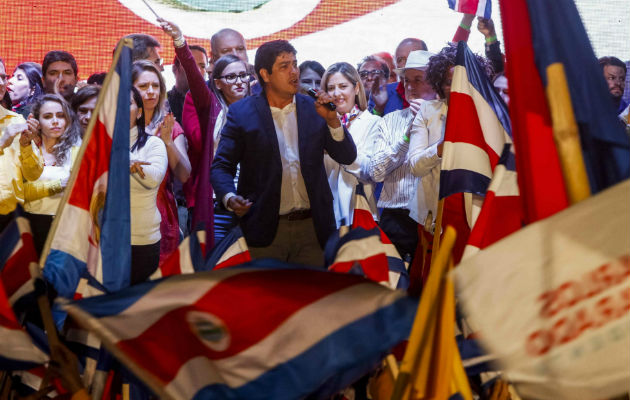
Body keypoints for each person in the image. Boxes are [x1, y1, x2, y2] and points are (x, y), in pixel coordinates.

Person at [211, 40, 357, 265]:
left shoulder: (313, 107)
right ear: (265, 74)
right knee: (268, 299)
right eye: (284, 66)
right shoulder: (242, 113)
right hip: (265, 231)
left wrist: (332, 121)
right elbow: (221, 166)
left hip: (314, 229)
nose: (294, 72)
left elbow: (347, 156)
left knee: (312, 298)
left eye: (295, 64)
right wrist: (230, 198)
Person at [367, 50, 434, 265]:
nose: (410, 87)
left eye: (418, 80)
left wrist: (428, 118)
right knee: (396, 285)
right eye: (406, 80)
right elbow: (376, 172)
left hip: (433, 217)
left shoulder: (446, 118)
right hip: (396, 217)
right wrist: (407, 134)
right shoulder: (390, 120)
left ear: (434, 83)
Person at [132, 60, 191, 262]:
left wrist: (167, 142)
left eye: (155, 86)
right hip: (124, 212)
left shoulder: (170, 125)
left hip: (160, 214)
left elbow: (184, 175)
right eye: (143, 86)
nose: (151, 92)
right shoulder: (116, 126)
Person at [322, 62, 380, 227]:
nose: (336, 93)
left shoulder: (373, 123)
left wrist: (339, 149)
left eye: (342, 86)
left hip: (361, 214)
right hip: (327, 218)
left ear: (356, 88)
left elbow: (370, 170)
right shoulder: (320, 127)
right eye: (331, 88)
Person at [23, 94, 81, 255]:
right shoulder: (27, 149)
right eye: (48, 116)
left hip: (68, 224)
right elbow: (22, 191)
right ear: (37, 122)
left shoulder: (77, 150)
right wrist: (59, 185)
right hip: (33, 224)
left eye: (61, 116)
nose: (55, 121)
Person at [129, 87, 167, 283]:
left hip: (141, 240)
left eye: (126, 104)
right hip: (104, 239)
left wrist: (123, 158)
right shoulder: (97, 145)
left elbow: (153, 179)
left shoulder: (153, 144)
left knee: (136, 306)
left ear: (140, 112)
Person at [0, 57, 42, 232]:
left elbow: (33, 174)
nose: (2, 83)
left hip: (10, 219)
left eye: (3, 77)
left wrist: (26, 146)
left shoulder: (16, 120)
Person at [369, 38, 429, 116]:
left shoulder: (440, 93)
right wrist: (378, 109)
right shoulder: (381, 94)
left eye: (412, 57)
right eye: (400, 60)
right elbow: (369, 126)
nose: (406, 64)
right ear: (395, 64)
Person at [168, 45, 208, 124]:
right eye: (190, 64)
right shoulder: (161, 103)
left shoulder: (214, 102)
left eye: (202, 66)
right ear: (174, 69)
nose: (197, 70)